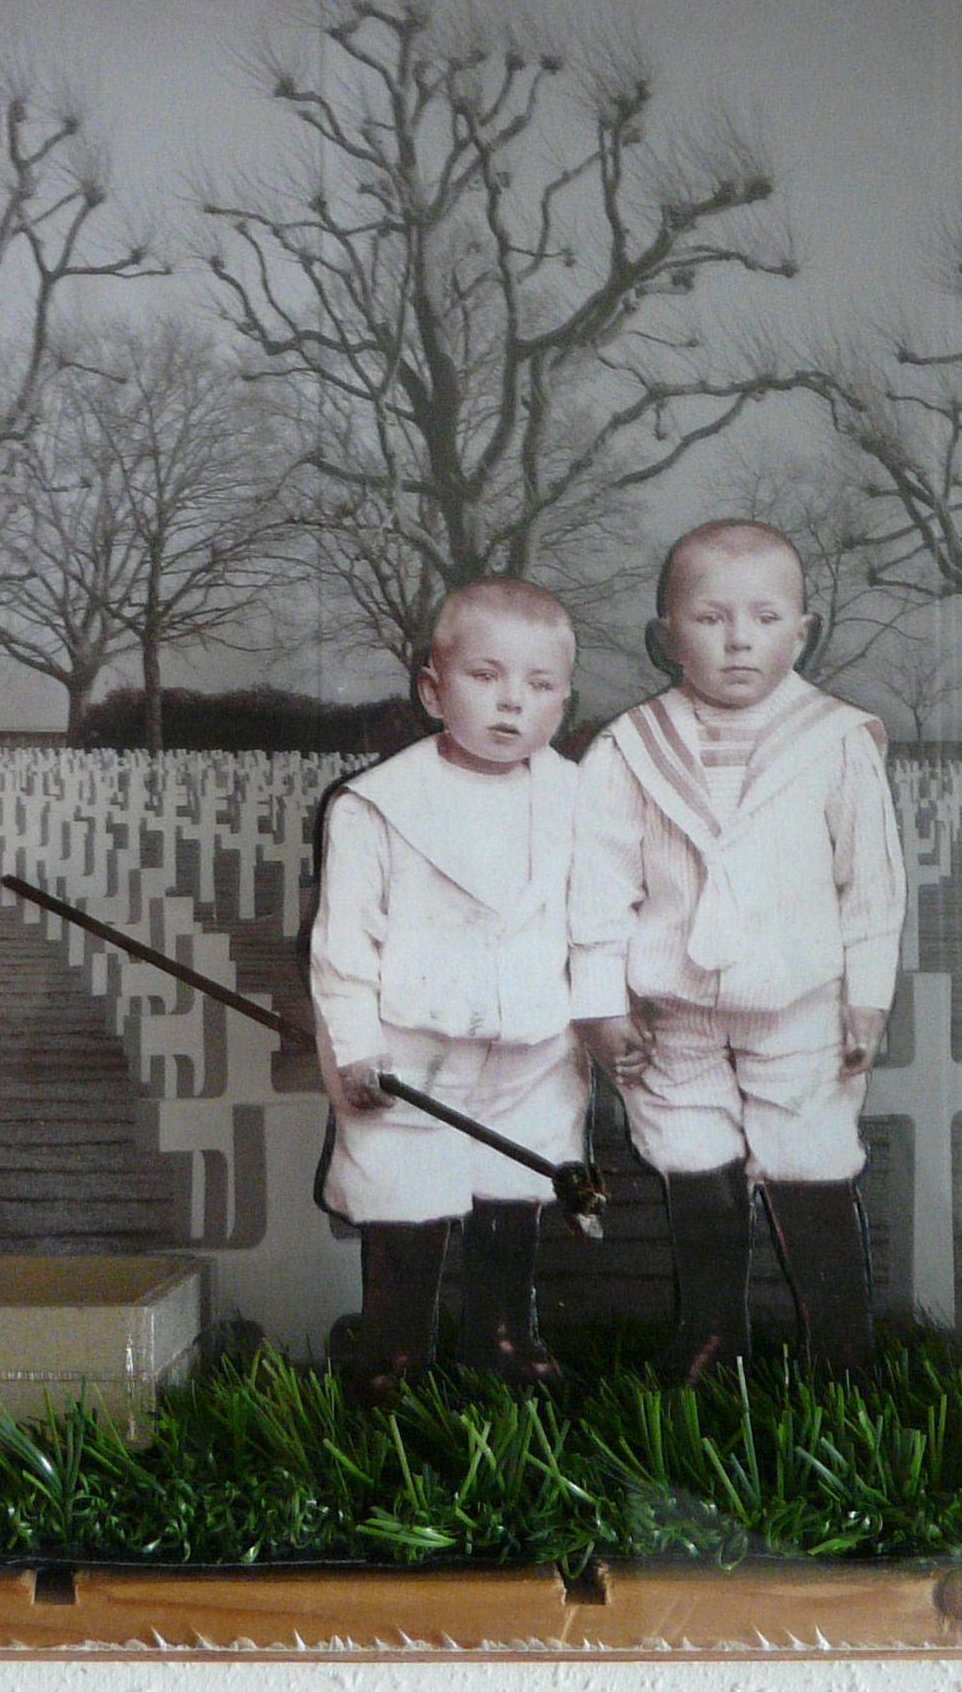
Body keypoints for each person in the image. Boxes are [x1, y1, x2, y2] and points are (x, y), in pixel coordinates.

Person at [571, 520, 905, 1381]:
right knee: (691, 1154)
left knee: (809, 1156)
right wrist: (600, 1004)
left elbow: (870, 883)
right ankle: (713, 1333)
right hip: (673, 1009)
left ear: (803, 632)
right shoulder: (629, 747)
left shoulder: (834, 740)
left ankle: (841, 1347)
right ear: (666, 638)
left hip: (796, 1000)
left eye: (765, 617)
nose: (740, 640)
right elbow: (598, 887)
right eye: (711, 618)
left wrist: (868, 995)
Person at [307, 578, 587, 1403]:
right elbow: (344, 946)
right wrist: (356, 1048)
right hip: (412, 1048)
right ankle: (395, 1348)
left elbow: (604, 921)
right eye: (485, 677)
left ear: (564, 703)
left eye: (539, 685)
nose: (512, 702)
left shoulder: (583, 800)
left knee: (517, 1184)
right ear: (432, 691)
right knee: (404, 1194)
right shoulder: (377, 806)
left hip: (535, 1044)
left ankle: (503, 1335)